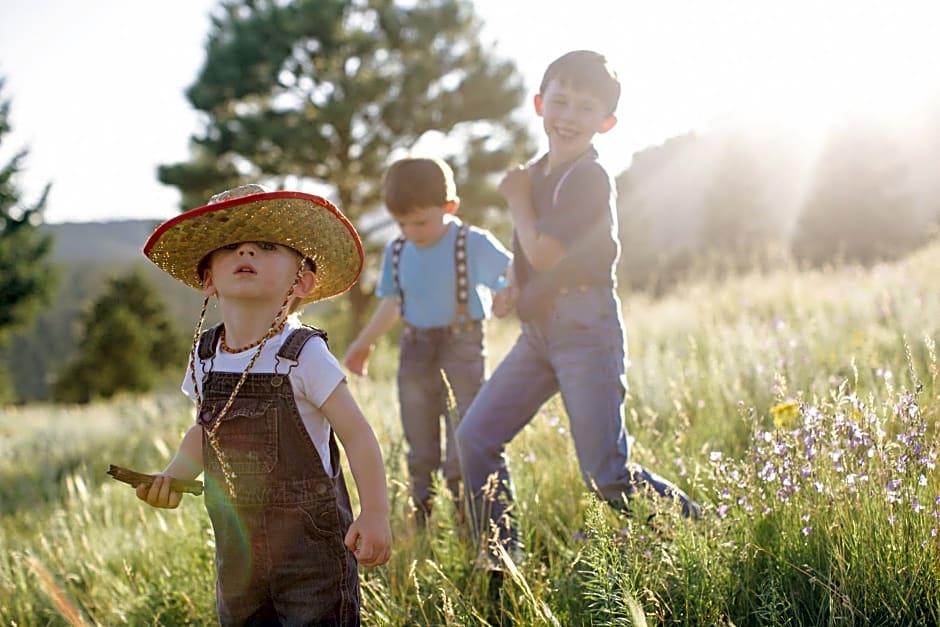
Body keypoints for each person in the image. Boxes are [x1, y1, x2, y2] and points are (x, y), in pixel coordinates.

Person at [455, 50, 701, 567]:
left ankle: (701, 532)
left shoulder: (588, 179)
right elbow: (532, 259)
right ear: (540, 103)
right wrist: (513, 289)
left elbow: (547, 249)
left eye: (585, 109)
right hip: (540, 333)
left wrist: (516, 199)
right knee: (475, 436)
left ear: (605, 123)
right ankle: (500, 557)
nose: (568, 117)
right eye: (560, 102)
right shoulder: (538, 172)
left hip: (586, 328)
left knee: (605, 472)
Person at [138, 184, 391, 626]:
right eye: (231, 247)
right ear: (209, 278)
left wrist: (375, 513)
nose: (247, 251)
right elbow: (205, 431)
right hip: (237, 551)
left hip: (311, 554)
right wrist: (173, 477)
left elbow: (356, 434)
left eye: (267, 246)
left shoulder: (303, 354)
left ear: (302, 281)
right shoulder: (205, 356)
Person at [343, 157, 513, 529]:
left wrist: (505, 295)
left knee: (463, 443)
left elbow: (512, 274)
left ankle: (471, 526)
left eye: (420, 221)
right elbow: (392, 302)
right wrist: (363, 343)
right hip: (415, 350)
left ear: (449, 207)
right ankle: (419, 524)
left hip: (462, 348)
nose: (411, 231)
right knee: (419, 447)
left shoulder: (472, 243)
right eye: (401, 223)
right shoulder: (398, 250)